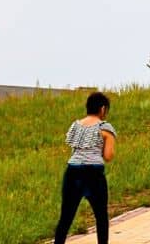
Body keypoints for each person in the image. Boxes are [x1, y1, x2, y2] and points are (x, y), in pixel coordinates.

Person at [54, 91, 116, 244]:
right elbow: (108, 156)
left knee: (66, 217)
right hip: (93, 173)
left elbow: (75, 149)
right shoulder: (105, 128)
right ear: (102, 109)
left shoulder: (76, 125)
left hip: (72, 171)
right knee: (101, 216)